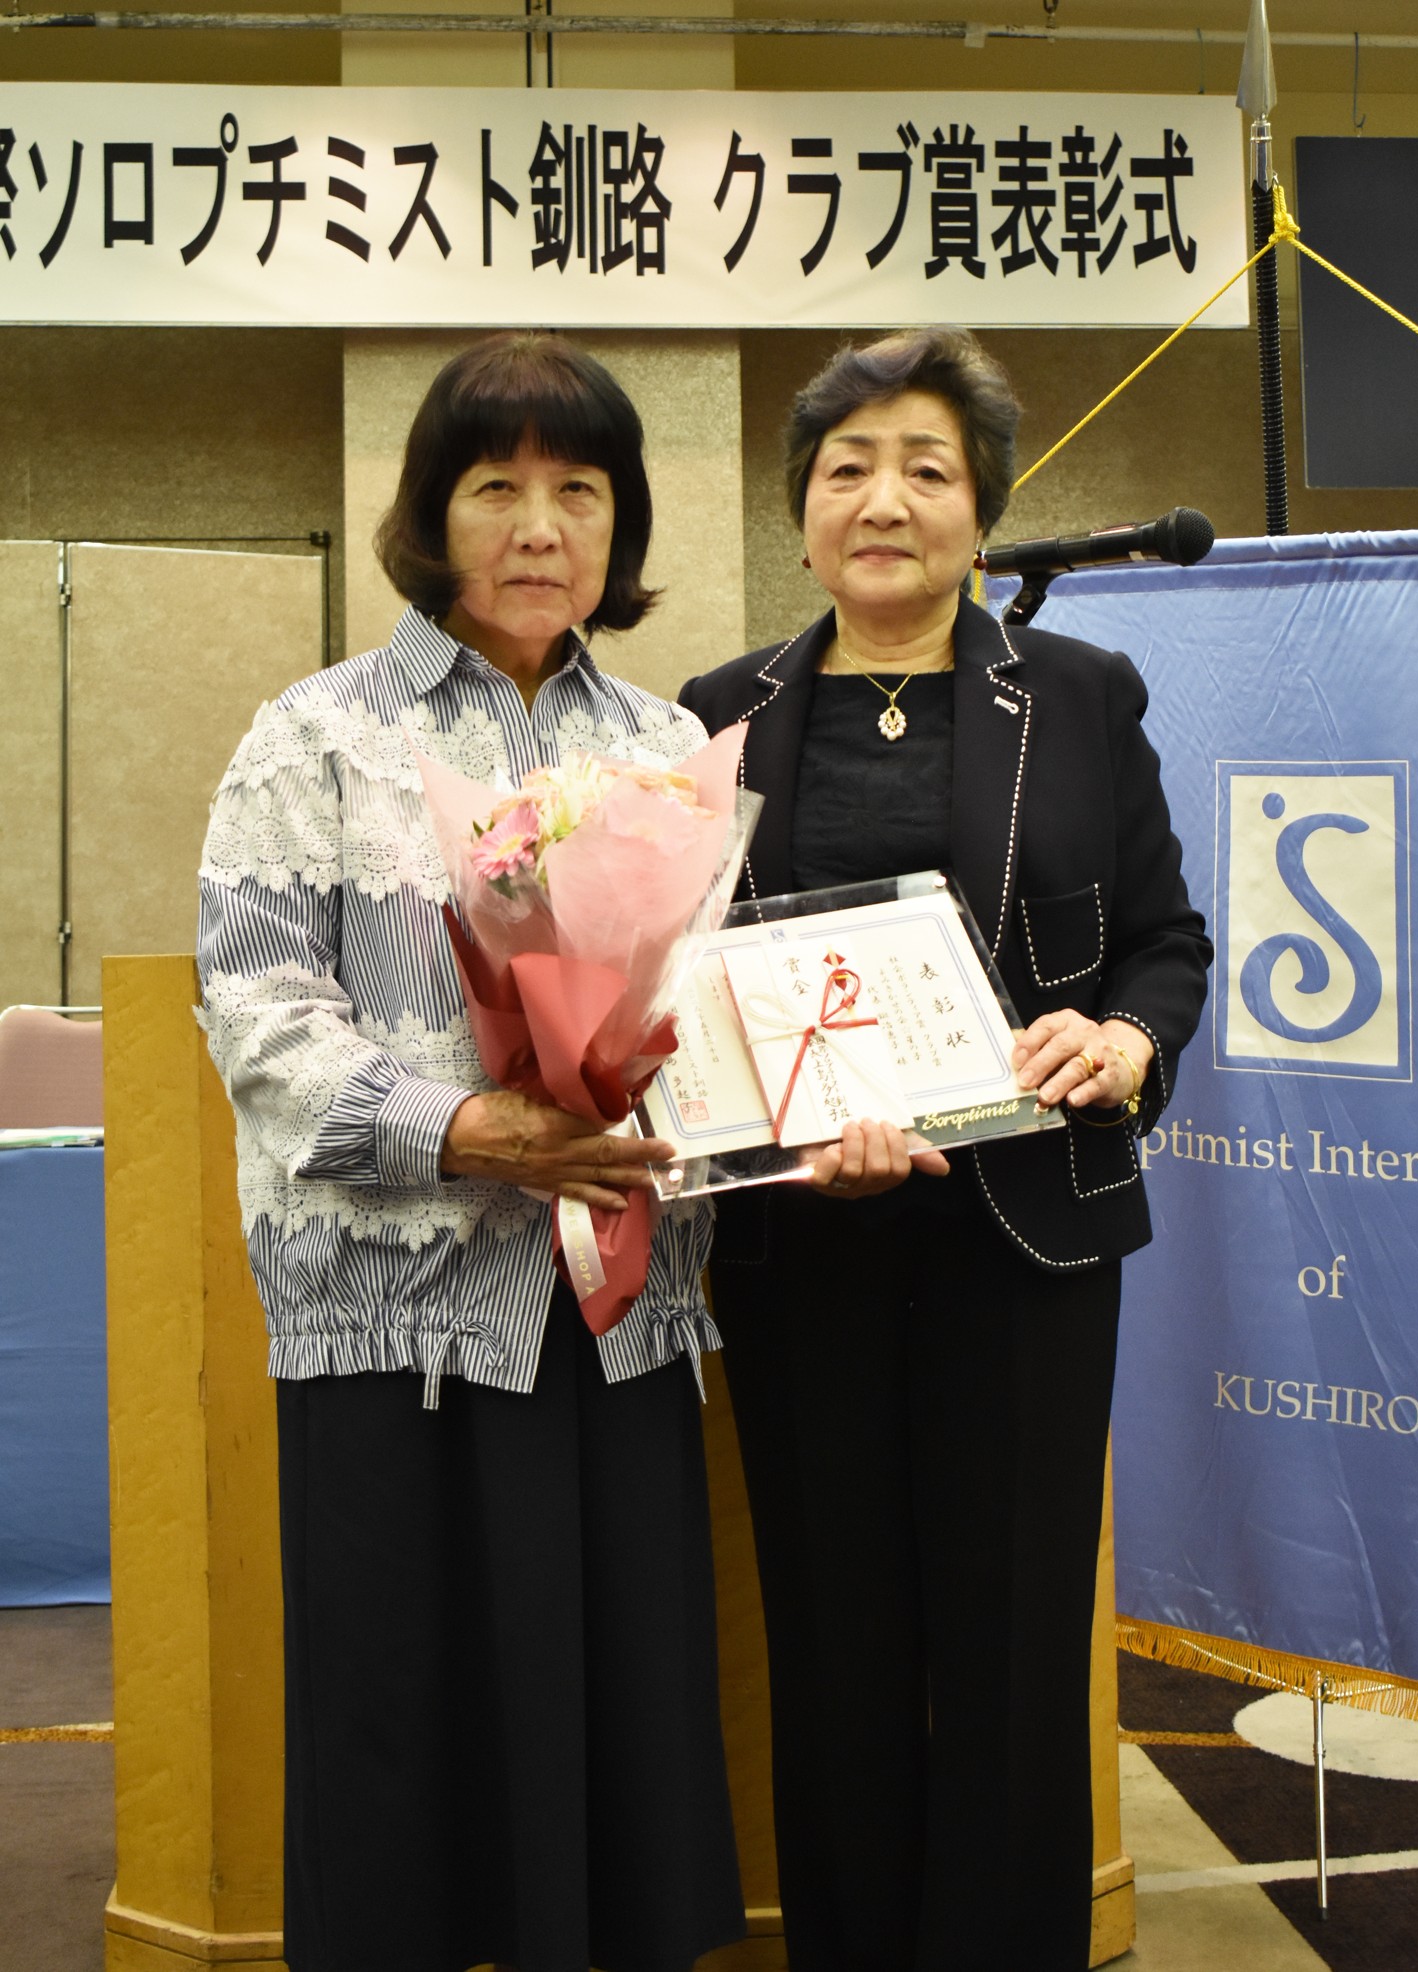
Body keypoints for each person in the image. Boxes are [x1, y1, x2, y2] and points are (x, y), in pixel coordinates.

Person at [198, 332, 744, 1972]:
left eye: (579, 490)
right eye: (495, 486)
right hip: (398, 1328)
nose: (539, 527)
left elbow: (710, 1009)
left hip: (610, 1318)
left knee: (616, 1726)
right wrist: (465, 1129)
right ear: (432, 514)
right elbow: (258, 1011)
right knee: (394, 1736)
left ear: (620, 524)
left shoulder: (664, 747)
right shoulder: (313, 737)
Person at [678, 326, 1211, 1972]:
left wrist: (1126, 1044)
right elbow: (675, 980)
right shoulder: (720, 714)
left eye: (927, 468)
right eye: (847, 469)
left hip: (1026, 1241)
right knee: (832, 1643)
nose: (885, 501)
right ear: (801, 513)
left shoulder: (1079, 692)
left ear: (982, 511)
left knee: (1013, 1647)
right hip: (802, 1251)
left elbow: (1166, 942)